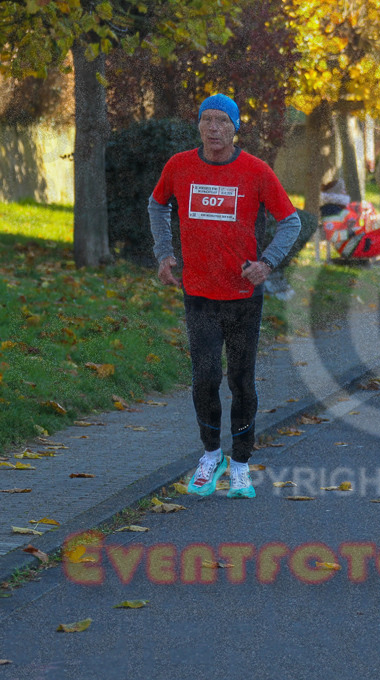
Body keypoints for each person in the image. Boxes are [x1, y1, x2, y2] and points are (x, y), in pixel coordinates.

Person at [149, 94, 301, 499]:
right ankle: (211, 454)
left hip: (241, 295)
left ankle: (240, 463)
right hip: (198, 292)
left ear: (236, 127)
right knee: (204, 378)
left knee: (241, 380)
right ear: (198, 125)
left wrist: (266, 263)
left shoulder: (256, 171)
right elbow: (157, 203)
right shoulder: (180, 166)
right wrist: (164, 252)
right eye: (207, 120)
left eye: (222, 121)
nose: (214, 128)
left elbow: (291, 221)